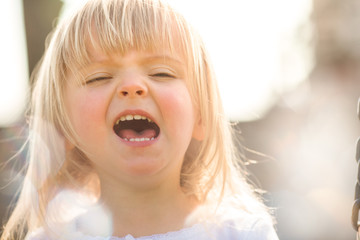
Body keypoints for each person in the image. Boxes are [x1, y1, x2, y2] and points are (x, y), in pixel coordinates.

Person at [1, 0, 278, 239]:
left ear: (201, 116)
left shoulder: (243, 235)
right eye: (100, 77)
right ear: (65, 127)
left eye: (162, 73)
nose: (132, 85)